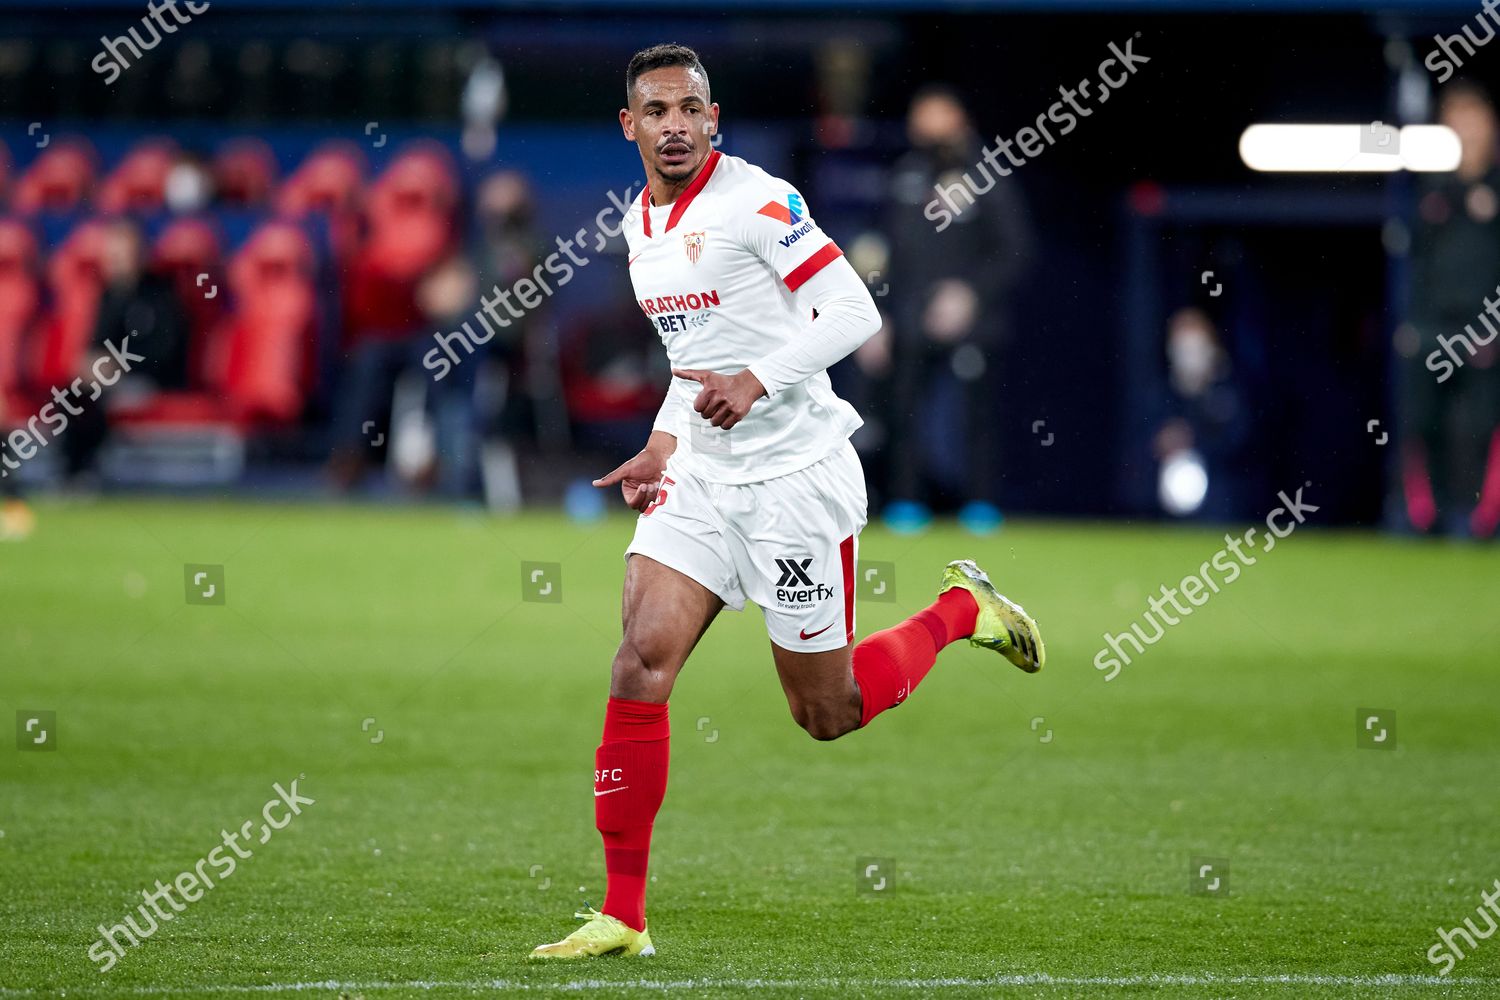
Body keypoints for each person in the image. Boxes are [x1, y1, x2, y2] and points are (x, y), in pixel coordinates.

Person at [529, 44, 1047, 961]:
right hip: (702, 477)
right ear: (630, 126)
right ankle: (622, 915)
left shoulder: (759, 201)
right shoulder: (640, 226)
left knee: (827, 712)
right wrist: (662, 436)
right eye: (657, 111)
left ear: (714, 119)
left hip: (798, 480)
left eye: (691, 108)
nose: (676, 126)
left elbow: (854, 312)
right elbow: (692, 362)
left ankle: (962, 611)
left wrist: (761, 379)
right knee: (637, 661)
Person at [882, 85, 1033, 531]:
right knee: (904, 409)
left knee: (976, 414)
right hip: (911, 316)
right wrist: (881, 314)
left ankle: (980, 503)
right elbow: (886, 249)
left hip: (973, 320)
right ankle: (906, 501)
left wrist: (970, 293)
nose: (926, 130)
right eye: (920, 119)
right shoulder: (906, 175)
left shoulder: (987, 174)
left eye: (937, 119)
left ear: (960, 121)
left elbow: (1016, 249)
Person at [1402, 80, 1500, 538]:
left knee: (1481, 426)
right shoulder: (1429, 189)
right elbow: (1417, 263)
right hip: (1432, 326)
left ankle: (1483, 522)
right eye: (1454, 121)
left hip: (1487, 325)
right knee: (1423, 421)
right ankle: (1427, 520)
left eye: (1472, 119)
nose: (1465, 131)